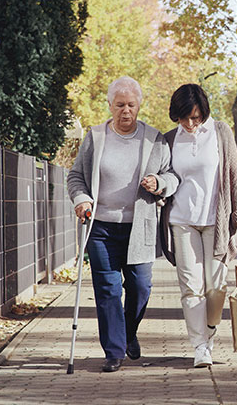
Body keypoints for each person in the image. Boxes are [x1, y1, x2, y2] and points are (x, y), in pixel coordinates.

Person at [67, 76, 179, 372]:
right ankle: (114, 351)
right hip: (100, 226)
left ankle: (128, 333)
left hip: (138, 227)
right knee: (108, 288)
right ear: (110, 105)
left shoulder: (154, 139)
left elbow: (172, 176)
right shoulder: (95, 137)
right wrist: (81, 199)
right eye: (119, 105)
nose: (125, 111)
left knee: (141, 286)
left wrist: (159, 182)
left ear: (139, 105)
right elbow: (76, 176)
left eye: (131, 105)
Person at [159, 83, 237, 367]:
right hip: (181, 222)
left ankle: (209, 331)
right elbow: (164, 175)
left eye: (196, 117)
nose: (191, 123)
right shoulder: (168, 140)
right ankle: (200, 345)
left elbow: (235, 171)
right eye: (185, 117)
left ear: (204, 112)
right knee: (190, 288)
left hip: (216, 221)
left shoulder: (221, 132)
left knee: (216, 287)